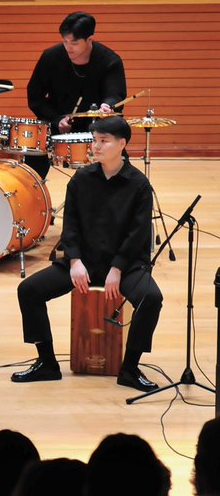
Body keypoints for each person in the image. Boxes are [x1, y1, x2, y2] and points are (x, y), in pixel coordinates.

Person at [11, 115, 161, 392]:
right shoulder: (81, 179)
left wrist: (117, 268)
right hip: (85, 262)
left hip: (125, 265)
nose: (96, 146)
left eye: (104, 141)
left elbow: (138, 233)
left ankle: (130, 368)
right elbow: (71, 225)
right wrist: (75, 261)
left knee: (151, 299)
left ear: (122, 144)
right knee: (29, 290)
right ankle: (47, 363)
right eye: (94, 140)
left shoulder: (139, 185)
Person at [25, 11, 126, 179]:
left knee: (118, 157)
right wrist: (57, 119)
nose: (68, 47)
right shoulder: (51, 57)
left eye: (74, 43)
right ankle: (31, 190)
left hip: (95, 125)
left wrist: (107, 106)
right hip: (55, 121)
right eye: (65, 41)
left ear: (89, 39)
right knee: (32, 160)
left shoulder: (109, 61)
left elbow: (115, 94)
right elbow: (35, 96)